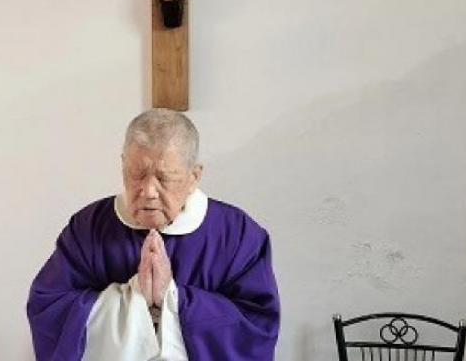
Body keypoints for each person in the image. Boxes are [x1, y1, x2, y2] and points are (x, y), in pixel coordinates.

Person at [27, 108, 280, 360]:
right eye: (136, 174)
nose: (148, 191)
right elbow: (48, 309)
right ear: (123, 165)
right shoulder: (89, 227)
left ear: (194, 176)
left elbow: (256, 327)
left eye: (164, 177)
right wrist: (134, 298)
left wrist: (172, 299)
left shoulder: (236, 235)